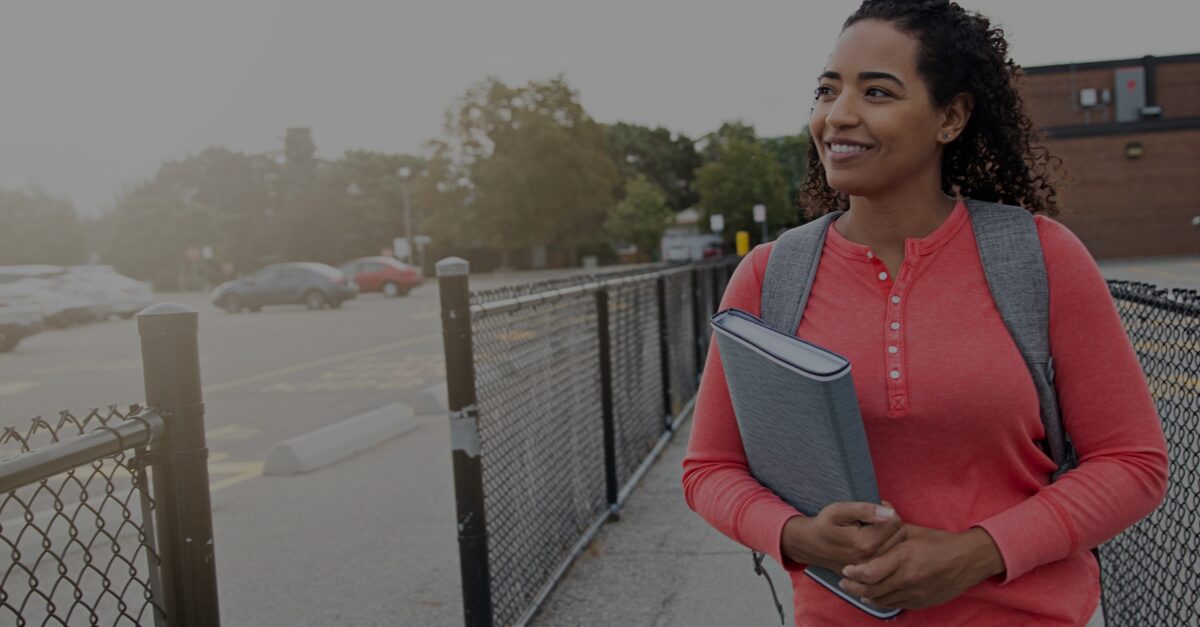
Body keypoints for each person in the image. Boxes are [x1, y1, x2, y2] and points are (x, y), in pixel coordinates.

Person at [681, 1, 1169, 625]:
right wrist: (797, 536)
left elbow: (1133, 463)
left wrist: (979, 553)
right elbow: (709, 468)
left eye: (877, 92)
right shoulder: (769, 276)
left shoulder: (1042, 258)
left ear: (952, 117)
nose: (838, 115)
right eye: (826, 91)